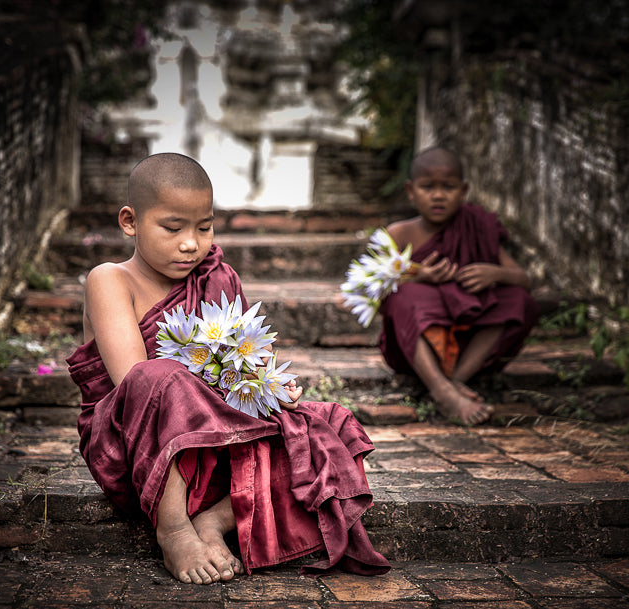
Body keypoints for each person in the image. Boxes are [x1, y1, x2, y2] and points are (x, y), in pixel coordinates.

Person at [66, 152, 389, 585]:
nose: (191, 244)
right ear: (130, 222)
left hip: (216, 444)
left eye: (204, 227)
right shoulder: (110, 280)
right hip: (139, 450)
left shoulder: (218, 277)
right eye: (173, 228)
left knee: (326, 427)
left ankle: (214, 521)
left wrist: (271, 387)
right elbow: (133, 384)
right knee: (159, 377)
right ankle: (175, 528)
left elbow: (248, 362)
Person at [378, 146, 539, 425]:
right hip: (414, 348)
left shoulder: (475, 226)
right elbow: (373, 291)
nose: (438, 195)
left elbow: (524, 280)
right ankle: (440, 389)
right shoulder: (399, 234)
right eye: (428, 187)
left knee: (517, 300)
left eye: (448, 187)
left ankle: (454, 381)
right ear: (411, 190)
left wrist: (495, 273)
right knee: (400, 294)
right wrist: (417, 275)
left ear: (463, 191)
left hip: (468, 343)